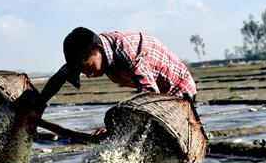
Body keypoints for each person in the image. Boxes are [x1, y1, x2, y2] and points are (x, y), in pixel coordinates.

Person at [31, 27, 197, 136]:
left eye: (89, 68)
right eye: (83, 71)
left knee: (160, 135)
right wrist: (36, 108)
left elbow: (149, 96)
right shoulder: (83, 54)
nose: (88, 75)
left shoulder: (127, 52)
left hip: (178, 89)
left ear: (99, 50)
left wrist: (117, 128)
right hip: (156, 91)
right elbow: (58, 79)